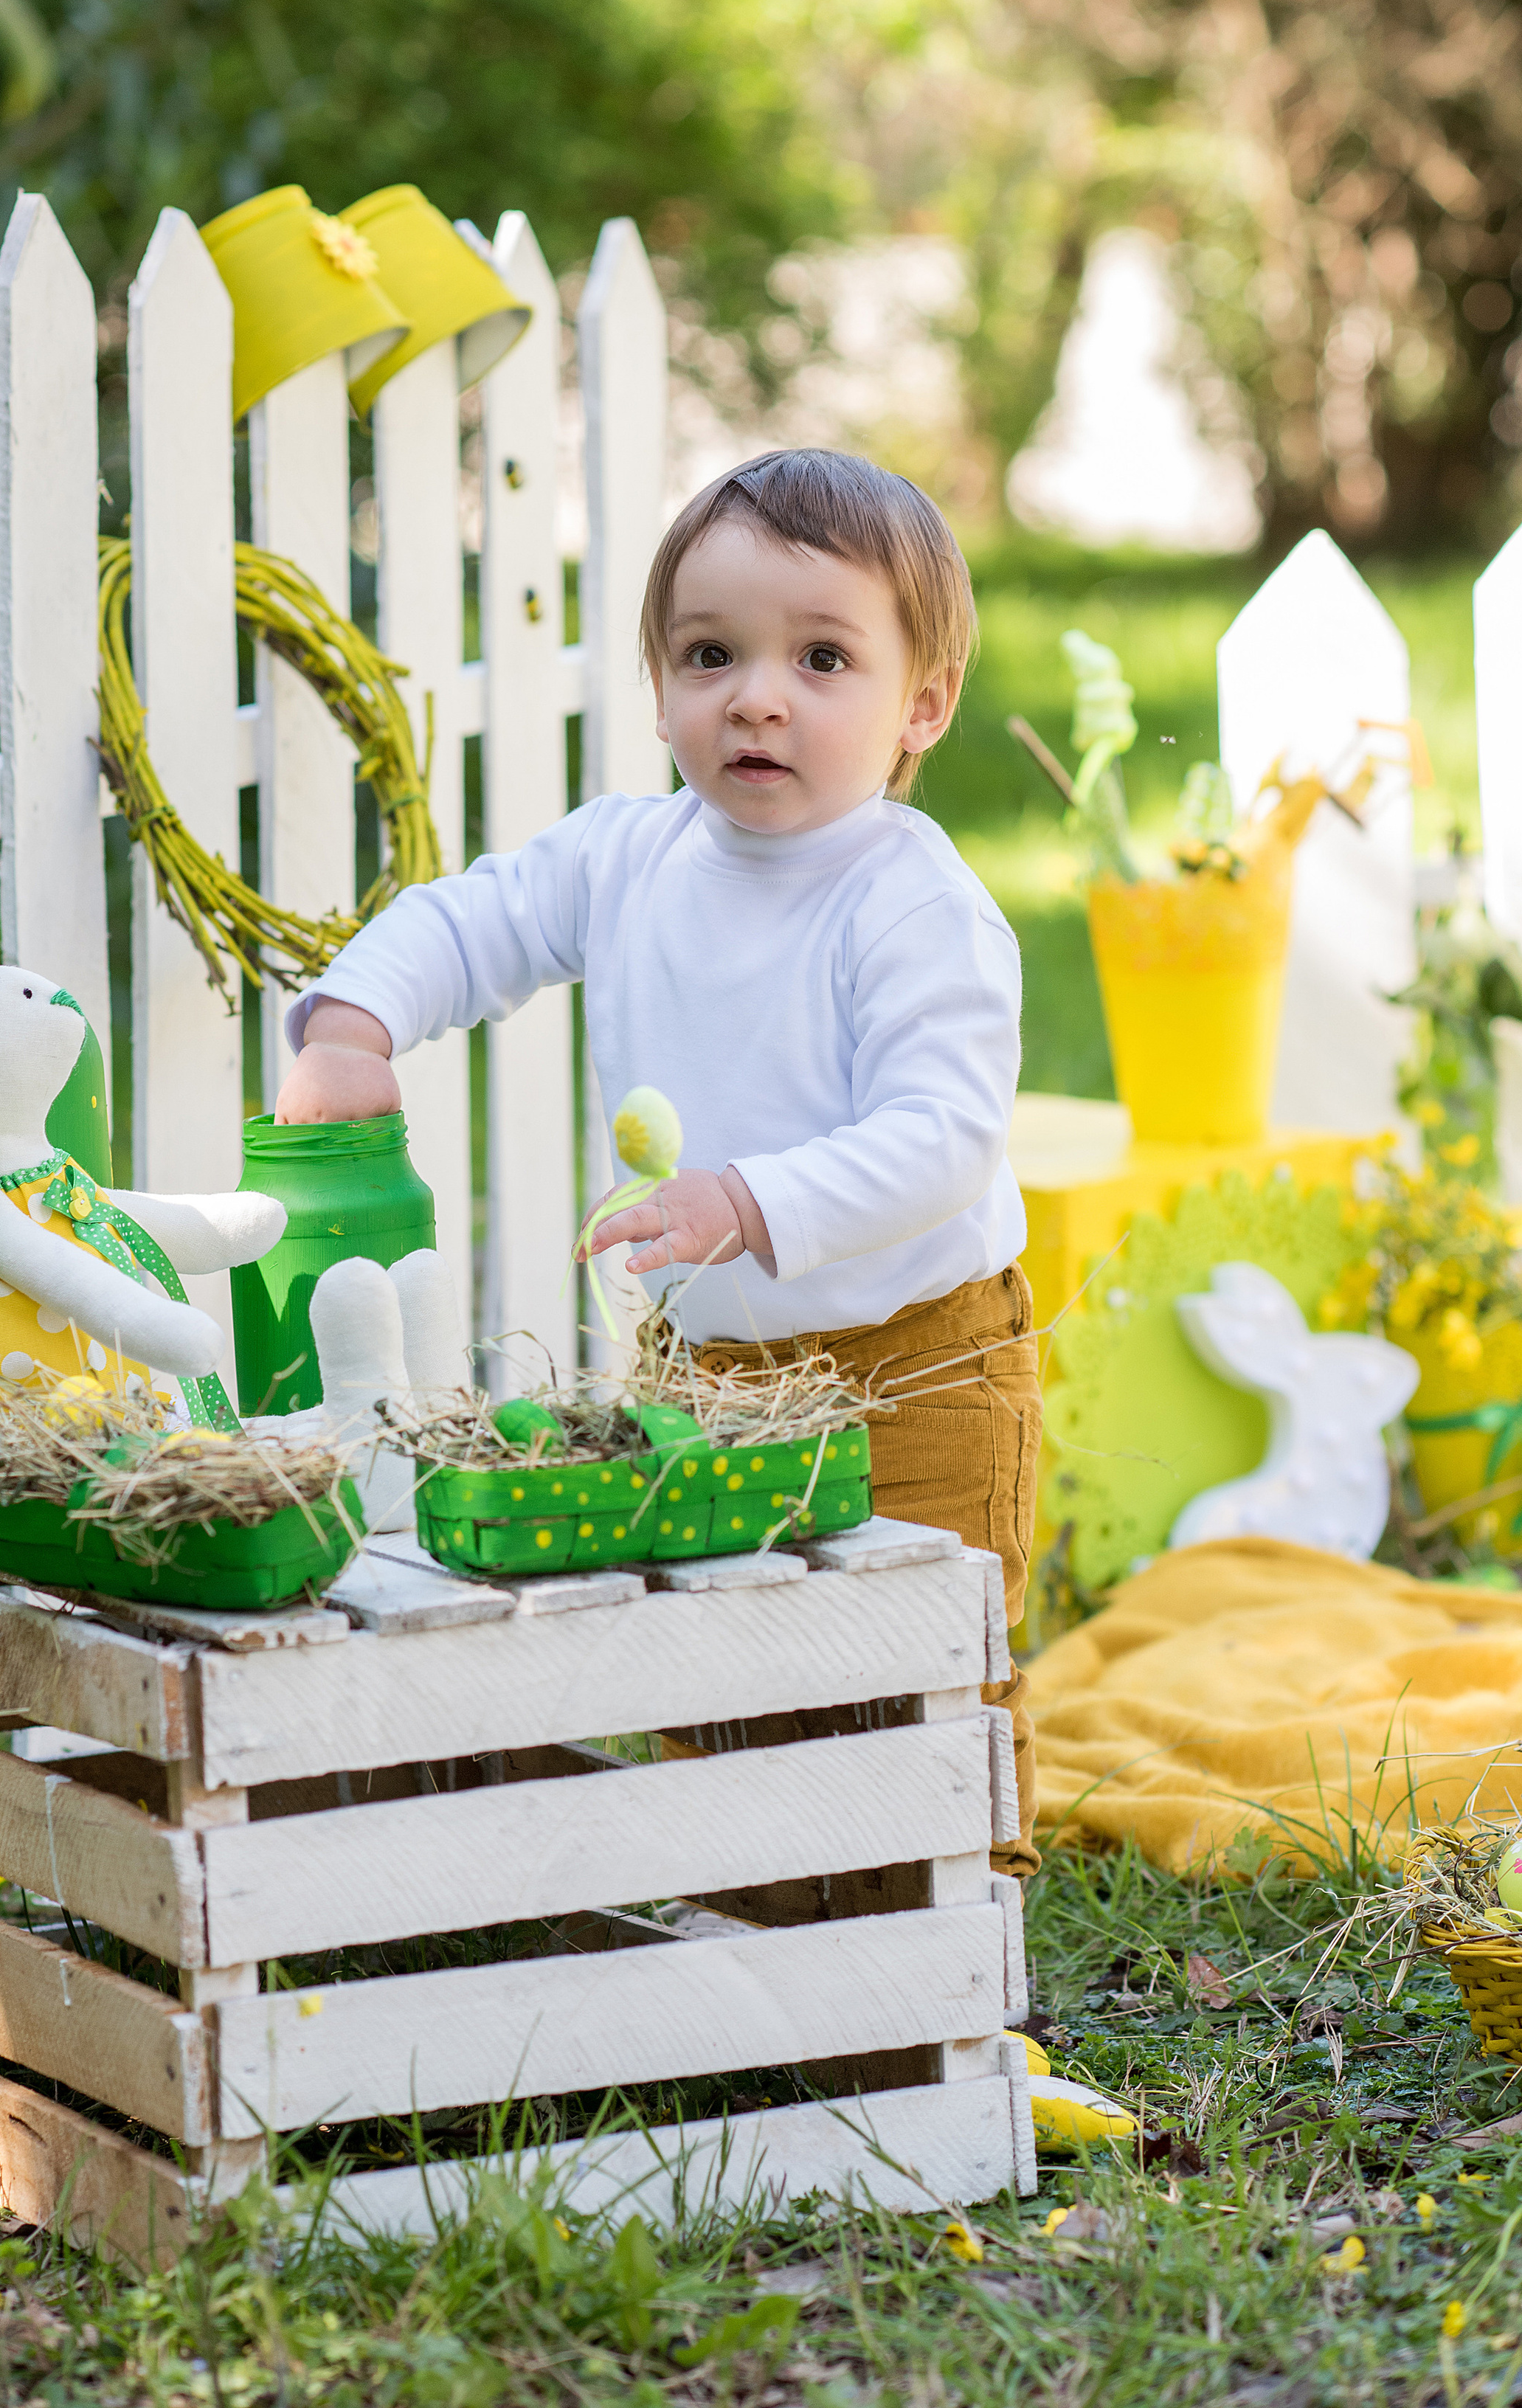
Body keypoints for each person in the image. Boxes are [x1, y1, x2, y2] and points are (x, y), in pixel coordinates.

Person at [275, 447, 1040, 1871]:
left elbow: (942, 1139)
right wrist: (356, 1018)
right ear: (662, 684)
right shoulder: (628, 860)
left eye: (823, 658)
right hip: (708, 1378)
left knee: (925, 1674)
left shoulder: (914, 903)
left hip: (918, 1366)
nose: (758, 695)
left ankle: (956, 1967)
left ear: (921, 702)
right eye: (712, 654)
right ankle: (743, 1923)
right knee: (710, 1663)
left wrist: (751, 1202)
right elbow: (471, 921)